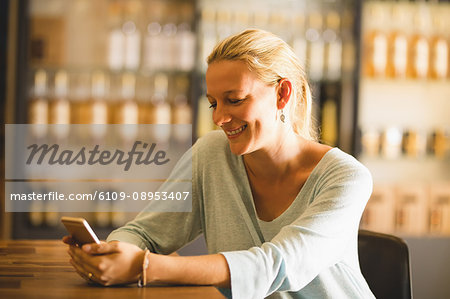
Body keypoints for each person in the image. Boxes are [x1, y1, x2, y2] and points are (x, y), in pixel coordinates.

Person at [64, 29, 375, 299]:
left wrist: (144, 266)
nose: (218, 118)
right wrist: (109, 253)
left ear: (282, 93)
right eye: (213, 103)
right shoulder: (211, 153)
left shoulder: (346, 178)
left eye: (235, 100)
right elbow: (144, 233)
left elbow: (277, 265)